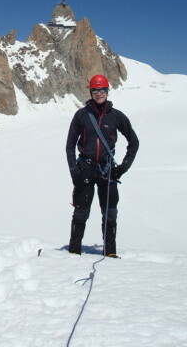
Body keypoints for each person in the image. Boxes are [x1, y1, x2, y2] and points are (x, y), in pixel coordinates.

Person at [65, 74, 139, 256]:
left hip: (108, 171)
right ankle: (74, 251)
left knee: (110, 213)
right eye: (95, 90)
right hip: (86, 168)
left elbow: (134, 142)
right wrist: (74, 171)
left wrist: (122, 168)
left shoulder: (116, 117)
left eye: (102, 90)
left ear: (107, 91)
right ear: (91, 92)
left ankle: (110, 252)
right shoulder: (82, 115)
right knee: (81, 212)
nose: (99, 93)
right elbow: (70, 145)